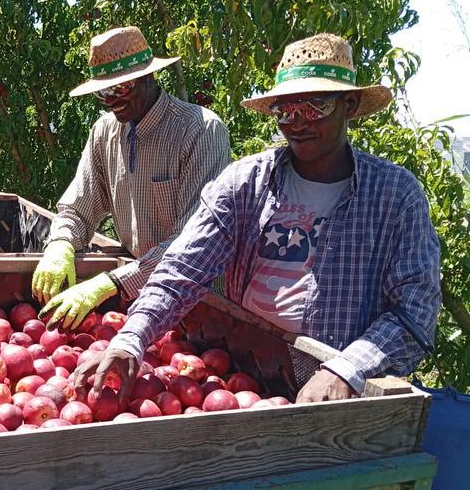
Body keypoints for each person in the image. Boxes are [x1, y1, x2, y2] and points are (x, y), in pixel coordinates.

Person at [75, 33, 441, 405]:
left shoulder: (395, 195)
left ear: (349, 104)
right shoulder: (245, 183)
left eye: (314, 107)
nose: (297, 122)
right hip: (243, 379)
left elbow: (415, 313)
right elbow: (181, 271)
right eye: (285, 110)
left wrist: (346, 370)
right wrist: (132, 337)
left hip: (341, 399)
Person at [32, 26, 231, 329]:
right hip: (136, 295)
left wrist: (109, 283)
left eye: (120, 88)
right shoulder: (104, 133)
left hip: (197, 298)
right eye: (102, 92)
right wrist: (60, 243)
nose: (111, 100)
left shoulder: (200, 131)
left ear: (149, 76)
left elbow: (193, 243)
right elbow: (78, 210)